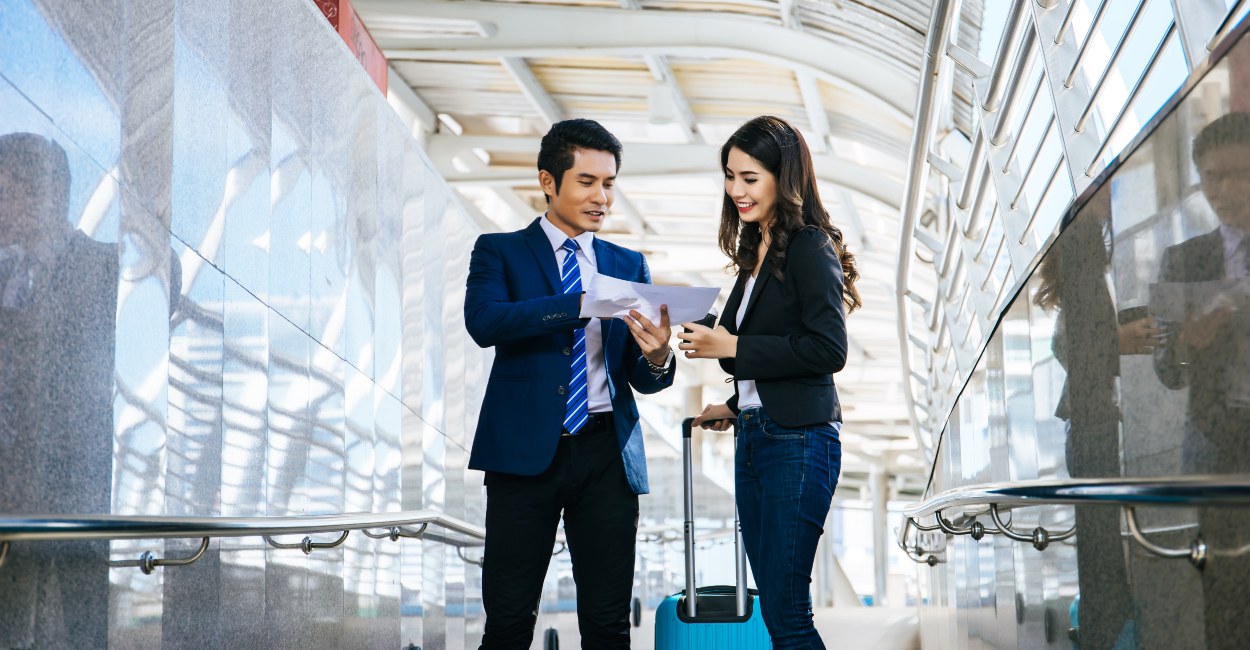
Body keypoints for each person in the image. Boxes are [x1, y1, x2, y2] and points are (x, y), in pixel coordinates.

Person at [464, 118, 677, 649]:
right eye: (586, 182)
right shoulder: (500, 251)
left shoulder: (629, 265)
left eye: (608, 184)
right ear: (547, 181)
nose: (601, 196)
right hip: (522, 455)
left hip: (606, 453)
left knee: (607, 624)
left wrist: (657, 357)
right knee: (510, 619)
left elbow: (642, 378)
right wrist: (578, 304)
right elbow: (485, 323)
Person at [678, 115, 860, 648]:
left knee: (786, 610)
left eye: (750, 177)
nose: (736, 190)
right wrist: (736, 405)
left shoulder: (808, 245)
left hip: (800, 440)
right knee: (777, 607)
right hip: (757, 437)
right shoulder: (752, 255)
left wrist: (733, 347)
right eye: (730, 177)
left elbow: (829, 349)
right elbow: (770, 351)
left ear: (785, 178)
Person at [0, 133, 117, 648]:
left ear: (51, 194)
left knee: (77, 631)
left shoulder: (103, 266)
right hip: (10, 495)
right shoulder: (7, 271)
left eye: (7, 191)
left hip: (75, 500)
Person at [1150, 111, 1250, 649]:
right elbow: (1166, 370)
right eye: (1213, 177)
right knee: (1228, 597)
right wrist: (1189, 341)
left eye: (1238, 173)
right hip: (1219, 450)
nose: (1224, 189)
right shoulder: (1185, 260)